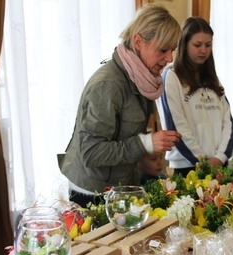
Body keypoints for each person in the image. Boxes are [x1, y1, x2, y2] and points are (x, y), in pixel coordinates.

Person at [59, 4, 182, 208]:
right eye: (163, 50)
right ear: (138, 42)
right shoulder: (108, 85)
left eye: (173, 50)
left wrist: (147, 150)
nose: (170, 59)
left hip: (120, 186)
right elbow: (91, 152)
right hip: (93, 192)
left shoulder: (141, 77)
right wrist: (146, 144)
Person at [158, 17, 233, 178]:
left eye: (208, 45)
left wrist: (220, 157)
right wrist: (202, 160)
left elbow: (227, 121)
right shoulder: (171, 76)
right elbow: (176, 124)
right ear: (184, 44)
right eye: (197, 45)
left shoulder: (212, 78)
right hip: (187, 165)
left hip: (219, 164)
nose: (203, 50)